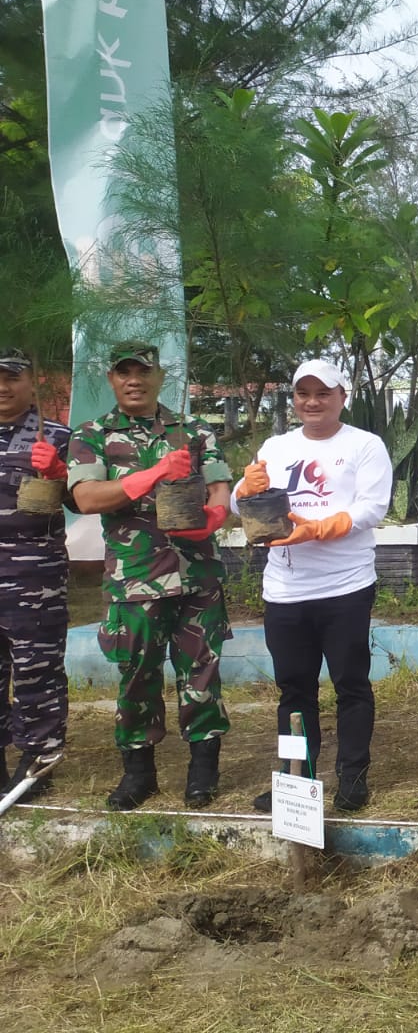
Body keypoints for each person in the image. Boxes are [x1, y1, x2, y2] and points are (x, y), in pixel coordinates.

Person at [66, 340, 232, 810]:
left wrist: (214, 517)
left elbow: (219, 487)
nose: (133, 380)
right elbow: (87, 498)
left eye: (143, 371)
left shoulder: (195, 430)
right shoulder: (92, 434)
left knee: (202, 672)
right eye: (124, 372)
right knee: (136, 675)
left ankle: (203, 771)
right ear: (112, 379)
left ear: (161, 377)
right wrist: (155, 472)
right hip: (135, 578)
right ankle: (139, 774)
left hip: (197, 574)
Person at [232, 359, 392, 813]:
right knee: (295, 689)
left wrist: (320, 528)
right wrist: (245, 487)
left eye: (323, 393)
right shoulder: (276, 446)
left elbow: (372, 508)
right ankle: (295, 779)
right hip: (285, 589)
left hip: (345, 585)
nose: (312, 402)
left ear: (342, 396)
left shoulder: (364, 445)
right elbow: (236, 505)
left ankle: (352, 777)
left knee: (350, 684)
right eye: (304, 394)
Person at [0, 348, 71, 796]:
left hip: (33, 583)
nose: (3, 387)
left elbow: (83, 499)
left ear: (31, 382)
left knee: (36, 673)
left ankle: (37, 766)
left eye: (12, 377)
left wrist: (59, 471)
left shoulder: (57, 436)